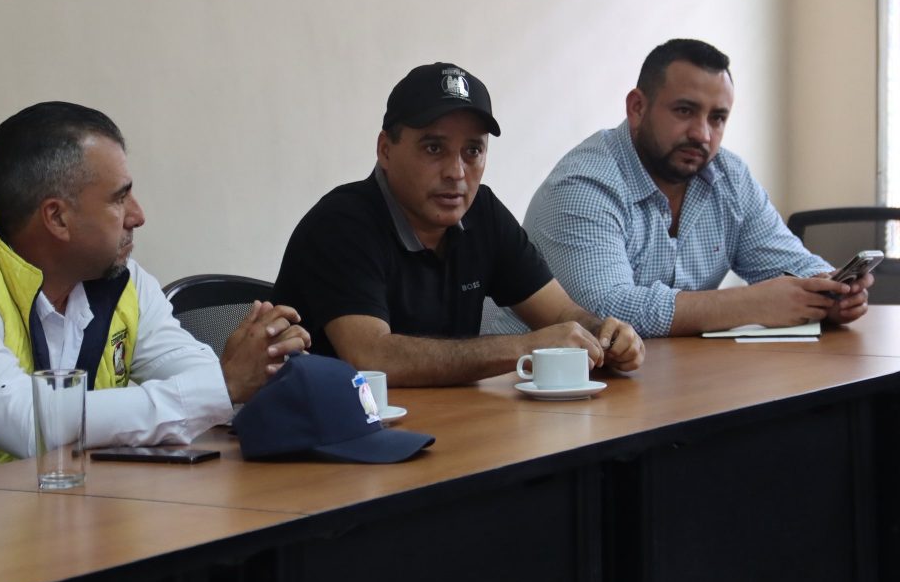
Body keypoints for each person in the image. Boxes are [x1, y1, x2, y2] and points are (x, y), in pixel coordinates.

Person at [0, 101, 310, 487]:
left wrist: (244, 368)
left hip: (57, 519)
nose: (138, 215)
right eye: (119, 199)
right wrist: (223, 385)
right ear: (57, 218)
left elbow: (189, 371)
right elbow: (31, 425)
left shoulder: (123, 281)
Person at [273, 62, 645, 387]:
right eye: (434, 148)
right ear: (385, 150)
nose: (456, 172)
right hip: (328, 434)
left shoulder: (482, 212)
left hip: (445, 424)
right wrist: (524, 347)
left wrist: (603, 335)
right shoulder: (341, 224)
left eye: (473, 151)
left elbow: (562, 314)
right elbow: (372, 357)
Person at [493, 39, 873, 339]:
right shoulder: (583, 185)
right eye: (684, 111)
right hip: (529, 386)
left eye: (717, 118)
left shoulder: (728, 177)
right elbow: (604, 313)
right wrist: (749, 304)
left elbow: (793, 264)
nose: (702, 134)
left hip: (665, 377)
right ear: (637, 108)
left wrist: (831, 293)